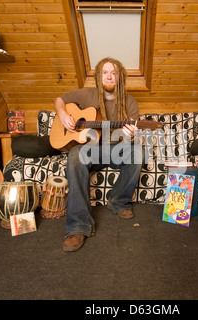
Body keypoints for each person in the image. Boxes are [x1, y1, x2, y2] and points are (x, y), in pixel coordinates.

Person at [54, 57, 143, 252]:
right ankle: (78, 227)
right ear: (98, 76)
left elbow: (128, 142)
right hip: (90, 149)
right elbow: (59, 100)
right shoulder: (87, 95)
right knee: (76, 155)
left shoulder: (130, 102)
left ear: (120, 77)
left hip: (114, 150)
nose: (109, 76)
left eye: (113, 73)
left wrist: (129, 135)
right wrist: (62, 115)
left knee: (137, 152)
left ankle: (118, 201)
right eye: (105, 72)